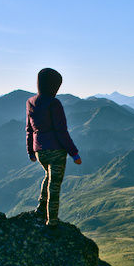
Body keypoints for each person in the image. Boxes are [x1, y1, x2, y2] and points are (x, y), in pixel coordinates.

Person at [26, 68, 82, 227]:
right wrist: (74, 154)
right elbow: (61, 131)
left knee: (48, 176)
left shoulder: (30, 102)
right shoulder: (54, 103)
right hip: (56, 151)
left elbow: (29, 129)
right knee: (54, 186)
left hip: (39, 152)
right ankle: (52, 223)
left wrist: (30, 151)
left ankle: (41, 209)